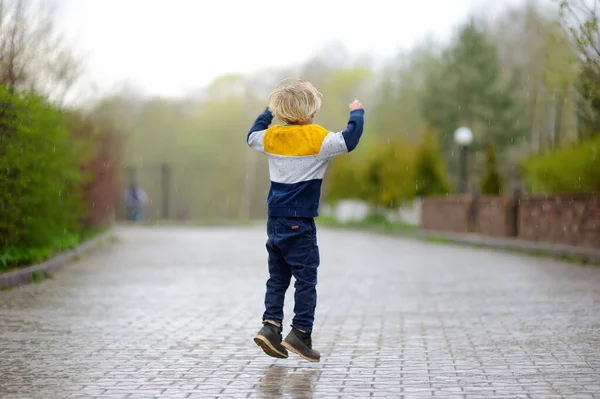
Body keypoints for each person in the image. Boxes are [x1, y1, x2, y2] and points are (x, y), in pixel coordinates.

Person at [247, 79, 365, 362]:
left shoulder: (272, 136)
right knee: (305, 278)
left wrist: (267, 113)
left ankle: (271, 326)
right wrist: (357, 113)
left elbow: (252, 135)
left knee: (277, 277)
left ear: (281, 112)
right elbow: (350, 138)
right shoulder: (317, 138)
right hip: (300, 222)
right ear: (310, 112)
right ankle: (300, 333)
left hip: (275, 220)